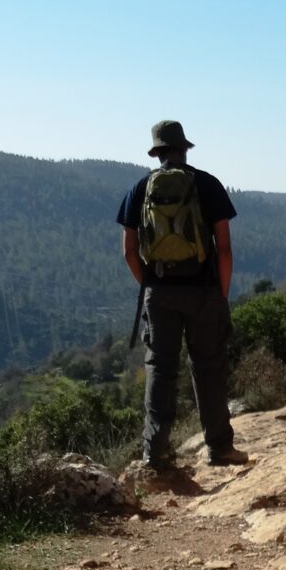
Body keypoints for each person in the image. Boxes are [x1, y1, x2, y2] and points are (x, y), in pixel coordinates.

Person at [117, 119, 251, 469]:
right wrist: (221, 294)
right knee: (208, 368)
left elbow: (130, 252)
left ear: (157, 151)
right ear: (184, 148)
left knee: (161, 369)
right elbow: (223, 249)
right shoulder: (207, 184)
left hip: (160, 291)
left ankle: (155, 452)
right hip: (204, 290)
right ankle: (220, 448)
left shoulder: (141, 189)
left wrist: (150, 285)